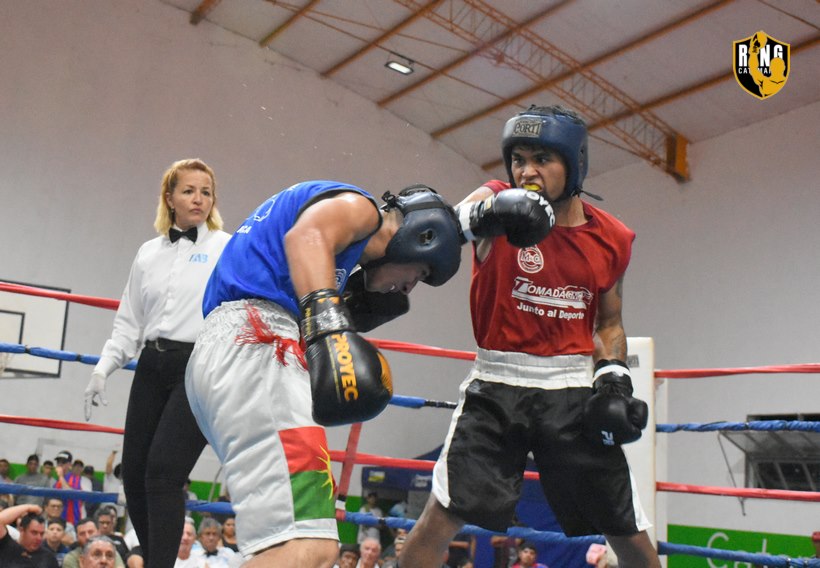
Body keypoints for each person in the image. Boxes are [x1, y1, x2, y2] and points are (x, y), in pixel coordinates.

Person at [400, 105, 659, 568]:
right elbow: (439, 230)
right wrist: (489, 215)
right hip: (497, 384)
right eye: (518, 159)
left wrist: (614, 379)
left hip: (571, 388)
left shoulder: (612, 237)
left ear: (574, 164)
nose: (526, 172)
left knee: (626, 529)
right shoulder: (496, 200)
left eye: (542, 159)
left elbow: (609, 323)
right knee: (440, 518)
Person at [185, 180, 477, 568]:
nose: (409, 286)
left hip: (235, 353)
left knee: (310, 550)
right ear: (422, 238)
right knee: (306, 547)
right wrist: (328, 326)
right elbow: (305, 235)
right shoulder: (362, 209)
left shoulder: (333, 255)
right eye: (420, 272)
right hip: (258, 346)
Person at [84, 158, 231, 568]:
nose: (198, 199)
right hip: (151, 364)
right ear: (170, 197)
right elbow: (128, 322)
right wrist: (102, 368)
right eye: (189, 190)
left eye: (206, 192)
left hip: (197, 367)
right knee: (133, 475)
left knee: (164, 473)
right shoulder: (148, 253)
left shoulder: (226, 247)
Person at [0, 504, 58, 568]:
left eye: (41, 534)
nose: (39, 538)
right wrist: (29, 507)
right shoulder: (6, 546)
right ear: (22, 530)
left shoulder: (48, 558)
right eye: (34, 533)